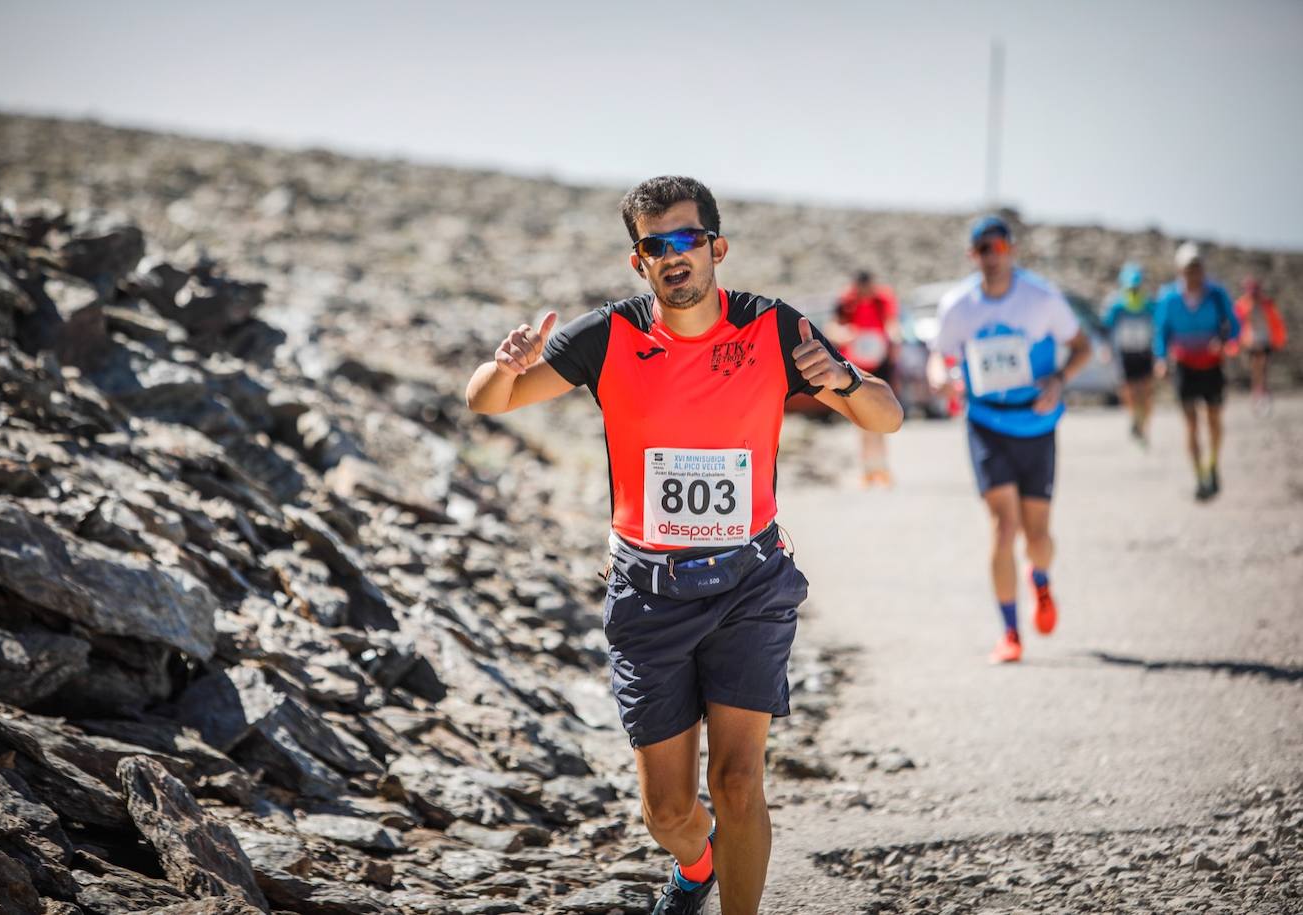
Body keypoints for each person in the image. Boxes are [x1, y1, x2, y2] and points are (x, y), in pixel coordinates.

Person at [465, 176, 902, 914]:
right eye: (654, 245)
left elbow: (885, 417)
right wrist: (502, 365)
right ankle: (695, 865)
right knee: (667, 811)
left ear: (716, 248)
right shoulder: (609, 335)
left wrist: (847, 377)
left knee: (737, 783)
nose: (673, 256)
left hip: (749, 582)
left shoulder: (772, 327)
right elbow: (488, 400)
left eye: (687, 239)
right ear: (639, 262)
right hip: (648, 592)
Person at [931, 216, 1091, 664]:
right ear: (972, 256)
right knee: (1004, 527)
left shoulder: (1041, 299)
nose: (991, 256)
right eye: (983, 248)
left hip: (1036, 425)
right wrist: (942, 378)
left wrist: (1059, 379)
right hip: (985, 422)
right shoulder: (959, 305)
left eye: (998, 246)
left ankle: (1040, 577)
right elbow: (938, 358)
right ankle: (1009, 633)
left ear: (1011, 250)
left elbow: (1082, 347)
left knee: (1037, 536)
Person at [1153, 242, 1240, 501]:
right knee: (1190, 423)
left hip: (1211, 365)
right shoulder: (1169, 298)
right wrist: (1160, 358)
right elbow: (1161, 331)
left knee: (1213, 419)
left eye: (1198, 268)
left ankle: (1213, 464)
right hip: (1184, 366)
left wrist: (1224, 342)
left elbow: (1234, 325)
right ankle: (1200, 476)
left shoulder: (1217, 294)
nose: (1194, 274)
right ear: (1180, 270)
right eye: (1189, 269)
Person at [830, 271, 903, 486]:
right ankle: (868, 468)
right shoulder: (845, 302)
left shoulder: (882, 301)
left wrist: (894, 340)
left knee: (881, 417)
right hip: (855, 368)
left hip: (880, 366)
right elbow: (832, 328)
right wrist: (847, 334)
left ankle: (881, 466)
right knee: (860, 420)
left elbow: (892, 324)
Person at [1102, 262, 1157, 444]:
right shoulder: (1116, 305)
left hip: (1144, 352)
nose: (1134, 290)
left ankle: (1143, 424)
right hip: (1126, 353)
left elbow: (1158, 327)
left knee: (1146, 392)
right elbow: (1107, 328)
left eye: (1136, 287)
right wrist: (1107, 348)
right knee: (1129, 391)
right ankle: (1135, 417)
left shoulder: (1149, 304)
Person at [1233, 277, 1287, 413]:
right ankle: (1257, 393)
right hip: (1250, 340)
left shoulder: (1266, 304)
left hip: (1264, 339)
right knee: (1255, 369)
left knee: (1262, 367)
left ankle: (1261, 393)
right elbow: (1237, 322)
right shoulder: (1243, 304)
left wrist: (1278, 339)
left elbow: (1276, 322)